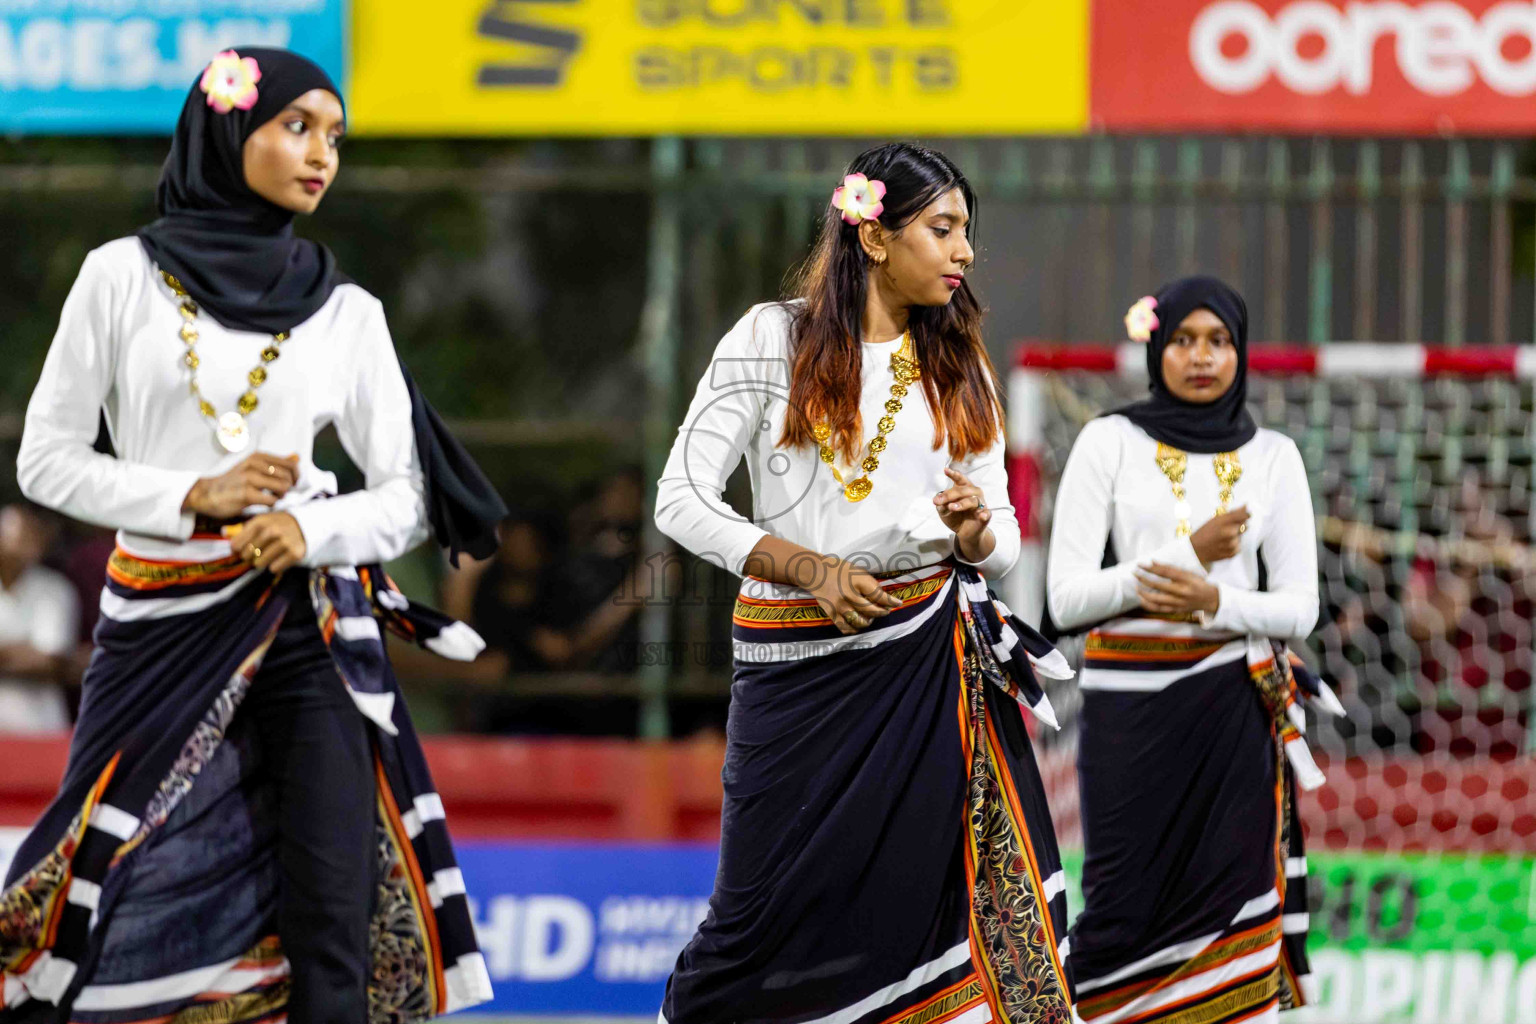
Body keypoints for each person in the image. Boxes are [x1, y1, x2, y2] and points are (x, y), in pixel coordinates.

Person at [1, 47, 504, 1024]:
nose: (323, 155)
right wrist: (200, 494)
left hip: (307, 626)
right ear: (232, 132)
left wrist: (308, 525)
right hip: (156, 623)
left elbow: (403, 495)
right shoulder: (119, 278)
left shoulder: (347, 312)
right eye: (298, 127)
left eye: (336, 137)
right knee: (88, 887)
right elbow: (47, 463)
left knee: (331, 907)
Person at [653, 142, 1075, 1024]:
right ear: (875, 237)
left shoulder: (962, 362)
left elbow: (1002, 546)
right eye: (943, 228)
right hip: (793, 669)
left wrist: (974, 532)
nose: (965, 252)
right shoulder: (771, 335)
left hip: (926, 668)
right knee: (752, 916)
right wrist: (807, 568)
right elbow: (681, 500)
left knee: (910, 916)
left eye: (969, 233)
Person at [1047, 278, 1332, 1024]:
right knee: (1119, 912)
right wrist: (1191, 553)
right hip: (1126, 715)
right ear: (1155, 347)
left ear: (1240, 350)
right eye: (1182, 340)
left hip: (1230, 711)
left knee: (1235, 908)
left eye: (1219, 340)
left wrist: (1215, 601)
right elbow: (1065, 600)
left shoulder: (1274, 456)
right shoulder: (1108, 440)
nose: (1201, 357)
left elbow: (1300, 608)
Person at [0, 501, 79, 733]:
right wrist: (20, 650)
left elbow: (50, 662)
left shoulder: (56, 589)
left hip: (38, 728)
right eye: (18, 538)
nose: (27, 547)